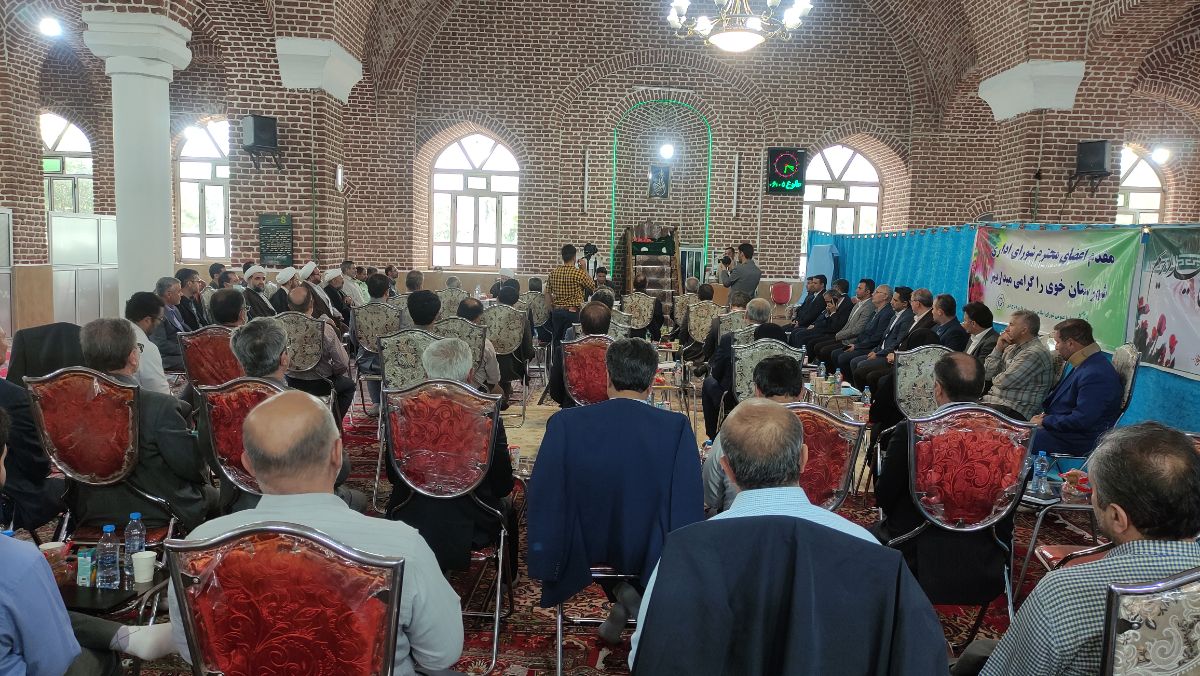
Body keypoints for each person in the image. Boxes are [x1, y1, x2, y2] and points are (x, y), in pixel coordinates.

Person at [631, 399, 948, 674]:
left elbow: (645, 655)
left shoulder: (685, 552)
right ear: (804, 459)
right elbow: (913, 656)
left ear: (726, 468)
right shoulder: (869, 551)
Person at [168, 390, 464, 674]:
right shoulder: (401, 545)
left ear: (248, 465)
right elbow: (440, 654)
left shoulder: (200, 546)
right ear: (337, 453)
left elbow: (195, 651)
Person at [954, 423, 1200, 676]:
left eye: (1094, 492)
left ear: (1117, 517)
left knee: (976, 655)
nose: (1092, 499)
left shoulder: (1065, 592)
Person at [528, 338, 703, 643]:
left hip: (582, 543)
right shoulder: (676, 428)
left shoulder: (565, 423)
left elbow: (545, 494)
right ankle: (632, 593)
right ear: (652, 381)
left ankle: (624, 595)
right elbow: (687, 503)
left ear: (607, 377)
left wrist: (545, 555)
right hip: (648, 545)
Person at [0, 408, 179, 675]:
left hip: (82, 503)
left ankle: (127, 636)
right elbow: (53, 664)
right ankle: (124, 640)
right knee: (94, 656)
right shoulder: (19, 564)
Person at [386, 338, 517, 572]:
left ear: (426, 373)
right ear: (470, 375)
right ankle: (509, 576)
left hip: (408, 514)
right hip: (473, 520)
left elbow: (394, 475)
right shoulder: (485, 414)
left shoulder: (401, 409)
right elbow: (502, 485)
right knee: (509, 508)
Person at [76, 319, 215, 531]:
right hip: (159, 509)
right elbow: (191, 467)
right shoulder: (160, 406)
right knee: (223, 498)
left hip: (89, 509)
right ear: (133, 357)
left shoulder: (71, 407)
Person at [228, 318, 363, 511]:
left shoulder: (218, 402)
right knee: (357, 498)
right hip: (300, 505)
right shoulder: (303, 405)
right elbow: (336, 470)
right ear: (284, 358)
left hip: (238, 500)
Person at [703, 355, 803, 514]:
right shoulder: (828, 429)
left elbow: (711, 495)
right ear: (802, 391)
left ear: (757, 390)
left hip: (737, 520)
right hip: (814, 520)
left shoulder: (737, 428)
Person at [0, 329, 65, 531]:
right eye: (2, 338)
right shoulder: (14, 398)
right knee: (77, 488)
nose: (6, 344)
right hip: (13, 497)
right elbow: (37, 465)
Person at [1029, 318, 1123, 456]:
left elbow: (1082, 420)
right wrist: (1045, 419)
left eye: (1058, 342)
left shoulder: (1095, 373)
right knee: (1013, 434)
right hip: (1066, 431)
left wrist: (1046, 421)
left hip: (1078, 439)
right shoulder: (1088, 362)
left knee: (1016, 440)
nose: (1056, 347)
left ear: (1070, 343)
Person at [284, 285, 355, 428]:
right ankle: (330, 427)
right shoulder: (324, 328)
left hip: (289, 383)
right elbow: (342, 363)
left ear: (289, 306)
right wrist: (333, 372)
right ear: (312, 304)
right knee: (348, 386)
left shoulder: (279, 328)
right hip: (321, 383)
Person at [701, 298, 772, 441]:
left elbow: (717, 373)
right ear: (769, 317)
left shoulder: (730, 338)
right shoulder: (776, 339)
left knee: (709, 382)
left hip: (733, 397)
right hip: (770, 395)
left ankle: (714, 437)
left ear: (745, 315)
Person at [981, 309, 1055, 420]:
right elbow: (986, 374)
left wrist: (995, 376)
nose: (1006, 329)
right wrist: (998, 349)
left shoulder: (1035, 353)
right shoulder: (1010, 347)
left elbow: (1003, 382)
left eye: (1011, 325)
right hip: (995, 403)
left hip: (1014, 410)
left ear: (1024, 330)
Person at [846, 286, 913, 389]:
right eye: (892, 299)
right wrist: (875, 350)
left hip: (888, 355)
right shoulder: (895, 315)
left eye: (895, 300)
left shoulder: (907, 318)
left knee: (860, 365)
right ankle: (859, 391)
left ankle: (865, 394)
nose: (891, 302)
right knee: (855, 362)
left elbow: (897, 343)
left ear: (904, 303)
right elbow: (884, 338)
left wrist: (878, 354)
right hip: (879, 350)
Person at [547, 301, 611, 407]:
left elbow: (555, 391)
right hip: (610, 410)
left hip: (573, 408)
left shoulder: (565, 351)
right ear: (609, 326)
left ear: (582, 326)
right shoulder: (619, 352)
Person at [349, 273, 392, 416]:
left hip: (365, 362)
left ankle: (376, 403)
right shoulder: (396, 312)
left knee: (370, 355)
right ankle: (391, 401)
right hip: (391, 362)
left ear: (368, 290)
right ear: (387, 291)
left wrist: (369, 346)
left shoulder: (357, 312)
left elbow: (354, 338)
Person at [825, 284, 893, 372]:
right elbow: (864, 331)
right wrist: (855, 344)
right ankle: (839, 377)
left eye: (877, 292)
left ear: (885, 297)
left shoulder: (887, 313)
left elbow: (877, 337)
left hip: (870, 346)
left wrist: (856, 346)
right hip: (861, 343)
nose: (873, 294)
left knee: (842, 356)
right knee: (835, 353)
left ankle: (846, 379)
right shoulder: (876, 311)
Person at [810, 278, 877, 358]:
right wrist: (839, 335)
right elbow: (848, 324)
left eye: (859, 288)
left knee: (825, 350)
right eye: (857, 288)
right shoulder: (858, 304)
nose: (856, 290)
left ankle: (826, 366)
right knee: (817, 345)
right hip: (843, 337)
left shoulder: (869, 307)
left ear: (867, 292)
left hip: (852, 341)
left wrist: (839, 335)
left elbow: (858, 329)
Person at [123, 292, 171, 396]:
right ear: (147, 320)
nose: (159, 323)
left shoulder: (112, 337)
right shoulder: (147, 348)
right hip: (136, 403)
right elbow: (161, 394)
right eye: (160, 319)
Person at [495, 285, 535, 407]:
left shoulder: (485, 317)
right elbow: (528, 350)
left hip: (488, 366)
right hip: (514, 366)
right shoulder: (522, 319)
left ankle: (500, 392)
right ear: (515, 301)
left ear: (497, 299)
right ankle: (504, 391)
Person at [547, 244, 595, 343]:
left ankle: (557, 354)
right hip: (572, 313)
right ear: (574, 257)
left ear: (562, 257)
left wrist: (552, 310)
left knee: (557, 342)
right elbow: (592, 286)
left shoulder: (553, 273)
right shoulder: (579, 273)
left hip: (557, 312)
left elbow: (547, 293)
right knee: (570, 343)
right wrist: (584, 269)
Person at [456, 297, 502, 395]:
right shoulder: (483, 343)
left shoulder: (443, 337)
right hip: (476, 390)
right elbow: (494, 377)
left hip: (448, 388)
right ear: (478, 317)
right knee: (500, 392)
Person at [150, 276, 188, 371]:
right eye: (179, 291)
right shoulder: (157, 313)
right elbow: (161, 344)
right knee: (200, 361)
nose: (182, 294)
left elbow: (183, 328)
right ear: (169, 294)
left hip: (181, 350)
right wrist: (185, 348)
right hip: (168, 358)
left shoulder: (175, 308)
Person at [702, 291, 750, 363]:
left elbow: (707, 351)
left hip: (720, 365)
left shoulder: (717, 323)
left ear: (730, 307)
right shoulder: (753, 325)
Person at [679, 283, 716, 362]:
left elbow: (683, 329)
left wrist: (682, 344)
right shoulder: (719, 310)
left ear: (698, 296)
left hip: (692, 349)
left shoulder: (692, 309)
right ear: (713, 295)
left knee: (678, 354)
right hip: (713, 351)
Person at [630, 272, 666, 341]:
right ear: (646, 284)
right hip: (648, 335)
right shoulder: (654, 301)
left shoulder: (626, 300)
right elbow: (660, 319)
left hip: (629, 334)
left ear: (634, 284)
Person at [962, 301, 999, 366]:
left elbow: (979, 368)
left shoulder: (991, 342)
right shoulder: (973, 335)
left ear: (973, 323)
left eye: (965, 320)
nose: (963, 323)